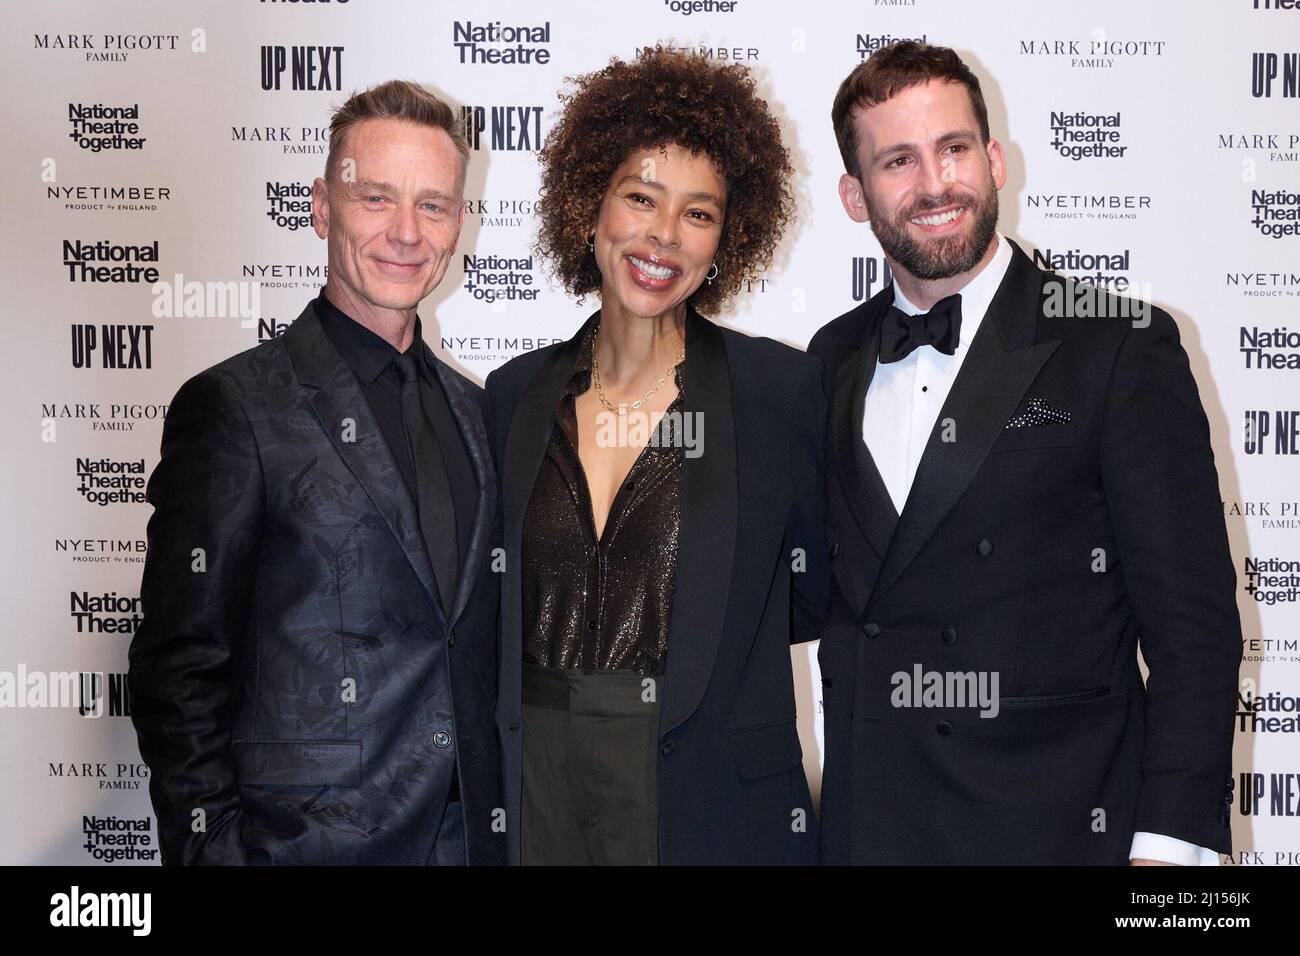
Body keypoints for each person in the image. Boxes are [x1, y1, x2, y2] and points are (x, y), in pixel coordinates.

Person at [810, 41, 1240, 865]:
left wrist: (1173, 849)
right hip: (874, 832)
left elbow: (1194, 634)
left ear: (996, 159)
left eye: (955, 148)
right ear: (855, 196)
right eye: (898, 161)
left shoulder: (1118, 346)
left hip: (1062, 830)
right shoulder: (829, 359)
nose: (936, 184)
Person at [128, 80, 504, 865]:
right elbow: (180, 668)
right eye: (376, 198)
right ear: (320, 207)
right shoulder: (235, 408)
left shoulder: (483, 415)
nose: (406, 232)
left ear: (460, 225)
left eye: (433, 206)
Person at [487, 47, 827, 865]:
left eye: (699, 213)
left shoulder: (776, 392)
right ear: (590, 204)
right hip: (535, 789)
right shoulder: (511, 397)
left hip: (706, 792)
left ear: (727, 239)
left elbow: (820, 588)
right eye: (641, 197)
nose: (663, 237)